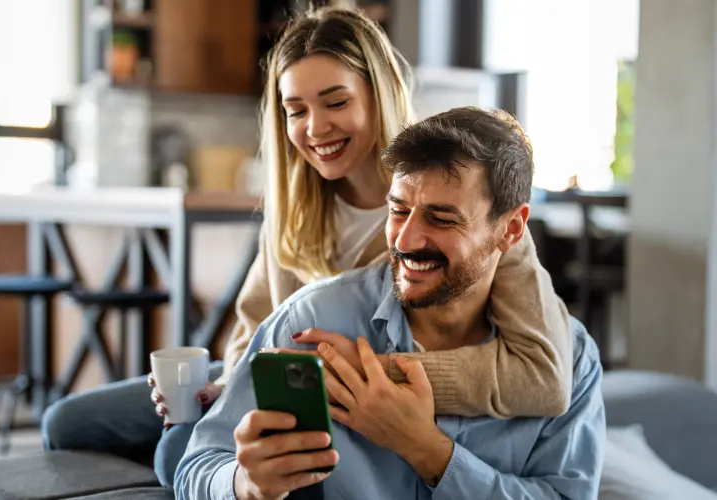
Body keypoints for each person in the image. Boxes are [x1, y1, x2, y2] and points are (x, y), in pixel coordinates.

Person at [41, 6, 573, 489]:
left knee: (175, 452)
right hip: (279, 376)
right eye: (295, 110)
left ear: (382, 90)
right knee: (66, 422)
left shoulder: (458, 209)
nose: (315, 128)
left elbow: (545, 378)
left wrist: (370, 374)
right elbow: (254, 322)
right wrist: (225, 387)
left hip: (348, 399)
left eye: (335, 102)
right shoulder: (296, 201)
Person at [178, 107, 606, 500]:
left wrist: (428, 452)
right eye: (399, 210)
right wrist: (243, 483)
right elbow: (196, 467)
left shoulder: (573, 360)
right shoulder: (313, 322)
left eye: (441, 219)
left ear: (511, 230)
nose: (405, 241)